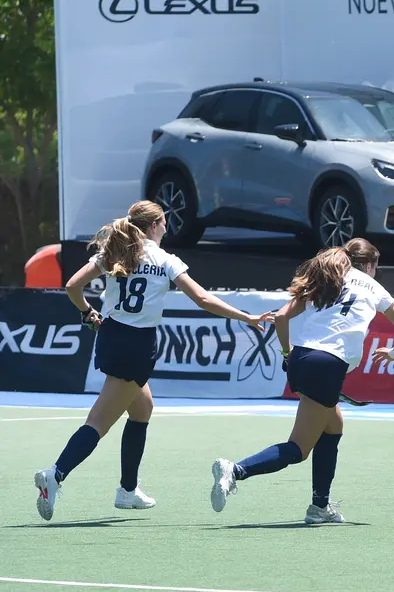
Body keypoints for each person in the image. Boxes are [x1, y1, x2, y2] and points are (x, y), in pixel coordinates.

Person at [33, 201, 271, 522]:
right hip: (137, 345)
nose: (166, 228)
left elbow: (73, 286)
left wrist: (88, 312)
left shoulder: (115, 251)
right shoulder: (165, 260)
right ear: (154, 225)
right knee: (98, 423)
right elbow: (202, 298)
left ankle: (127, 490)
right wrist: (246, 317)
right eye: (164, 223)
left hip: (113, 336)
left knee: (142, 408)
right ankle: (55, 474)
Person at [210, 239, 394, 522]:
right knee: (298, 449)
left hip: (302, 358)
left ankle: (319, 507)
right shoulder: (376, 289)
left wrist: (287, 353)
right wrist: (393, 354)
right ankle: (235, 470)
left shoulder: (326, 278)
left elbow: (282, 317)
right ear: (369, 265)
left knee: (333, 427)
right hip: (327, 365)